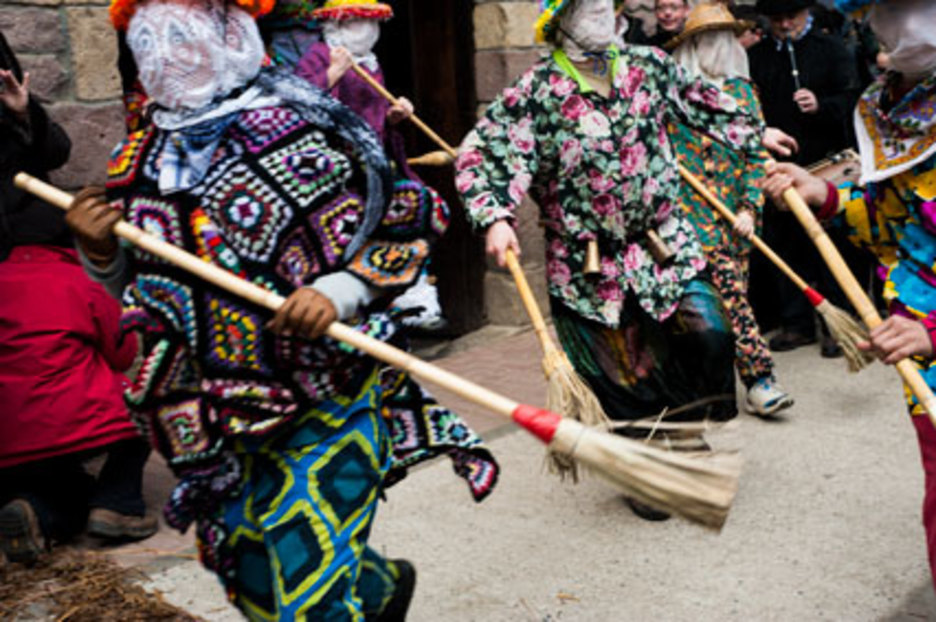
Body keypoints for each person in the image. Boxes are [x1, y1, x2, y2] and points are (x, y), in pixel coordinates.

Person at [69, 0, 497, 618]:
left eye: (183, 36)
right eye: (150, 40)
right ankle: (377, 589)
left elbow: (410, 215)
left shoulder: (312, 126)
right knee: (254, 580)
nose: (168, 56)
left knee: (309, 599)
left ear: (233, 33)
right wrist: (100, 252)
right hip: (217, 416)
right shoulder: (136, 162)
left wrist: (339, 291)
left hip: (327, 399)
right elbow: (143, 294)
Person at [458, 0, 764, 519]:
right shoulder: (536, 90)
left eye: (608, 2)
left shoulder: (650, 66)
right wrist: (495, 216)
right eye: (587, 3)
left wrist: (755, 134)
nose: (602, 8)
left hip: (662, 245)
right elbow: (483, 155)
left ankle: (686, 427)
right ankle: (643, 459)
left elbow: (708, 104)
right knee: (624, 372)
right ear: (561, 20)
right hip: (587, 264)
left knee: (710, 331)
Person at [761, 0, 936, 589]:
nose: (894, 21)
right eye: (883, 8)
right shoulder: (889, 102)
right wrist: (825, 196)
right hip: (920, 355)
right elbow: (896, 224)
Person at [0, 30, 155, 566]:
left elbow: (54, 147)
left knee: (50, 476)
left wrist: (23, 113)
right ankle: (119, 500)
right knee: (146, 386)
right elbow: (125, 350)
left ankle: (38, 509)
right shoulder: (66, 278)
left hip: (12, 437)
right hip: (82, 420)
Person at [667, 2, 794, 416]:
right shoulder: (673, 97)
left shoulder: (742, 94)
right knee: (709, 304)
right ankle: (743, 382)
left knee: (732, 301)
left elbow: (755, 158)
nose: (714, 47)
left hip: (731, 223)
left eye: (721, 38)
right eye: (704, 40)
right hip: (685, 220)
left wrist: (749, 208)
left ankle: (742, 384)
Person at [294, 0, 447, 332]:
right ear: (336, 24)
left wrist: (393, 119)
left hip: (375, 164)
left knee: (418, 208)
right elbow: (298, 107)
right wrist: (333, 72)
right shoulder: (320, 56)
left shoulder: (371, 63)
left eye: (372, 23)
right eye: (357, 23)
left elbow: (375, 119)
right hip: (334, 170)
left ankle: (407, 293)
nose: (367, 31)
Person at [747, 0, 862, 356]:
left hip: (824, 160)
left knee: (833, 245)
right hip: (781, 162)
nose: (784, 24)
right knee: (787, 244)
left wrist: (821, 104)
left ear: (806, 14)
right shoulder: (759, 55)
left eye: (791, 17)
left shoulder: (832, 49)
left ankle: (838, 323)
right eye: (777, 17)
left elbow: (854, 97)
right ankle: (797, 323)